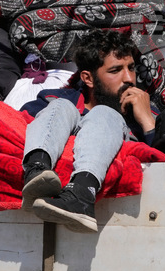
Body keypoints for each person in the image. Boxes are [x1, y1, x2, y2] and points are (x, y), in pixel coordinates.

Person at [21, 30, 156, 233]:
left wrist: (147, 121)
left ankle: (82, 193)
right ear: (88, 78)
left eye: (131, 68)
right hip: (40, 206)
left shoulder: (146, 112)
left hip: (122, 222)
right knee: (61, 106)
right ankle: (36, 171)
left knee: (104, 113)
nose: (129, 78)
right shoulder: (51, 99)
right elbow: (18, 127)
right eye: (115, 70)